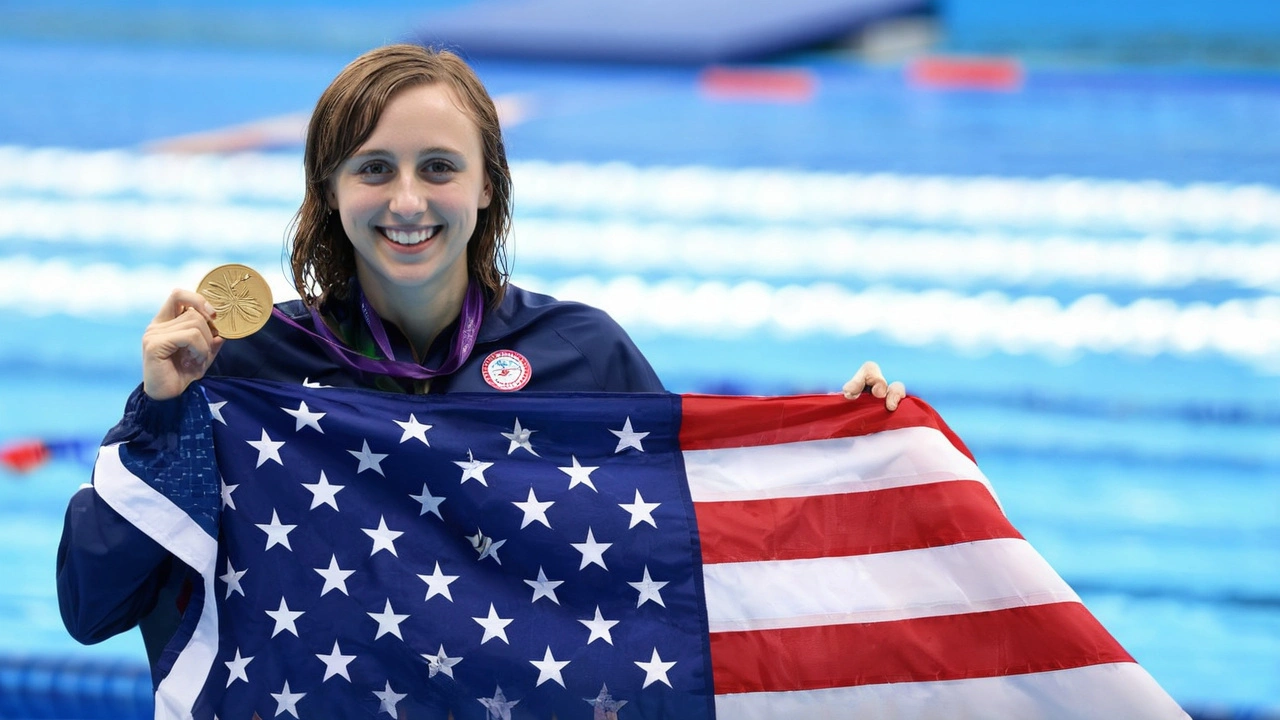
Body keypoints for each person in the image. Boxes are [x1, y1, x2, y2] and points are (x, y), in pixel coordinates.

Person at [56, 44, 905, 695]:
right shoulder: (249, 368)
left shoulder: (579, 353)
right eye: (374, 169)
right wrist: (160, 412)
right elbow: (91, 607)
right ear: (329, 190)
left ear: (488, 185)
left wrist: (845, 447)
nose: (408, 202)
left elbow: (698, 552)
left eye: (439, 168)